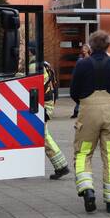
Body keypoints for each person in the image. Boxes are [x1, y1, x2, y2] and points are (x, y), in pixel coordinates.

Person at [69, 30, 110, 213]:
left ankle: (87, 189)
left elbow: (74, 92)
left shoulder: (82, 65)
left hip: (88, 114)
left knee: (83, 153)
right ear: (107, 45)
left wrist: (85, 103)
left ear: (91, 45)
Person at [28, 42, 70, 180]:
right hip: (47, 105)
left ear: (31, 51)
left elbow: (29, 84)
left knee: (43, 137)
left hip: (41, 106)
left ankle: (61, 166)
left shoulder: (35, 67)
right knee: (38, 135)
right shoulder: (46, 65)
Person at [71, 42, 91, 118]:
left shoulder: (91, 58)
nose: (84, 50)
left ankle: (77, 111)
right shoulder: (80, 59)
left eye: (86, 48)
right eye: (83, 48)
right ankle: (76, 111)